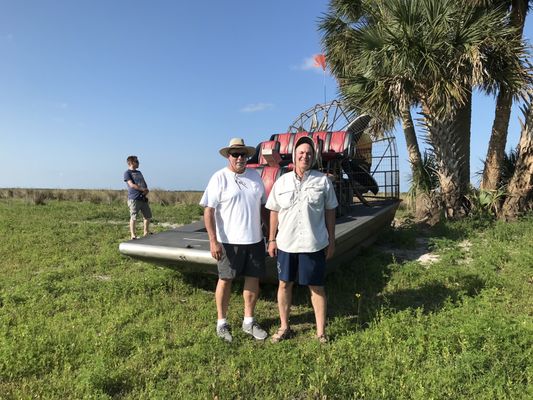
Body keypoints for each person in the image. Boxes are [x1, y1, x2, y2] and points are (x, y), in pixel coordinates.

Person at [266, 136, 338, 343]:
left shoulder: (322, 181)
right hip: (286, 243)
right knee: (284, 284)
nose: (304, 156)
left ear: (313, 157)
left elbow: (330, 211)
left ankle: (321, 332)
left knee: (316, 286)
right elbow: (273, 211)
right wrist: (271, 239)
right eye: (301, 153)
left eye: (308, 153)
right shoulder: (282, 182)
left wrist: (331, 240)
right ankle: (284, 326)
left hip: (313, 243)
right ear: (294, 156)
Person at [200, 138, 269, 343]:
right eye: (235, 154)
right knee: (225, 279)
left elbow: (263, 207)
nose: (239, 158)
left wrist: (271, 235)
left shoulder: (256, 177)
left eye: (243, 154)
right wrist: (213, 241)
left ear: (248, 156)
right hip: (228, 242)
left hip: (255, 240)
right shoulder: (219, 178)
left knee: (253, 279)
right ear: (228, 156)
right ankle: (221, 323)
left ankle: (249, 321)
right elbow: (208, 211)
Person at [124, 155, 152, 240]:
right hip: (134, 198)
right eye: (137, 161)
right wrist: (142, 189)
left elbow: (143, 182)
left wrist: (146, 190)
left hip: (143, 198)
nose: (138, 163)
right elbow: (131, 185)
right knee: (133, 216)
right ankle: (133, 235)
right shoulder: (127, 173)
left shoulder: (139, 172)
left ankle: (146, 232)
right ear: (131, 162)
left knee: (147, 216)